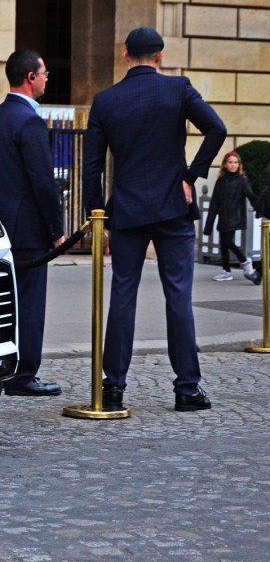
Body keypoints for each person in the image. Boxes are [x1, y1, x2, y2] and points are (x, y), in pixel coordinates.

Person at [83, 27, 227, 412]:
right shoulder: (178, 89)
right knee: (178, 296)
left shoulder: (106, 100)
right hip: (172, 205)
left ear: (126, 56)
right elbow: (217, 129)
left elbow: (92, 167)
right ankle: (187, 389)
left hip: (128, 209)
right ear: (159, 56)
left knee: (122, 296)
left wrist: (96, 214)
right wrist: (190, 175)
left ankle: (112, 387)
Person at [0, 49, 66, 396]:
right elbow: (43, 182)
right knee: (30, 305)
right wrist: (57, 230)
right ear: (31, 77)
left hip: (1, 224)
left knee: (6, 303)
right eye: (45, 72)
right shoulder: (29, 121)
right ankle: (23, 375)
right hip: (29, 230)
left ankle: (4, 368)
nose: (48, 78)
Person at [205, 151, 258, 281]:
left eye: (236, 162)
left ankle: (245, 262)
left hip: (235, 216)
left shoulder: (242, 180)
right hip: (223, 216)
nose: (233, 165)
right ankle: (226, 271)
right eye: (230, 162)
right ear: (225, 165)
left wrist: (261, 208)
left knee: (228, 241)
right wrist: (208, 226)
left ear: (239, 165)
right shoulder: (220, 181)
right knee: (223, 243)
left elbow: (251, 196)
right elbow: (214, 204)